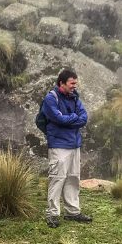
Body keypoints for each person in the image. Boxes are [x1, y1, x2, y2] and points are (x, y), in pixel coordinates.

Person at [42, 69, 92, 228]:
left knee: (73, 178)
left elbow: (83, 118)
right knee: (57, 178)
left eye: (75, 83)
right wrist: (73, 118)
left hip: (74, 145)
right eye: (72, 83)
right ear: (61, 83)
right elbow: (57, 118)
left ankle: (72, 212)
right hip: (58, 145)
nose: (74, 86)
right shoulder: (51, 98)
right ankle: (52, 214)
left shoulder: (75, 97)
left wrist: (69, 120)